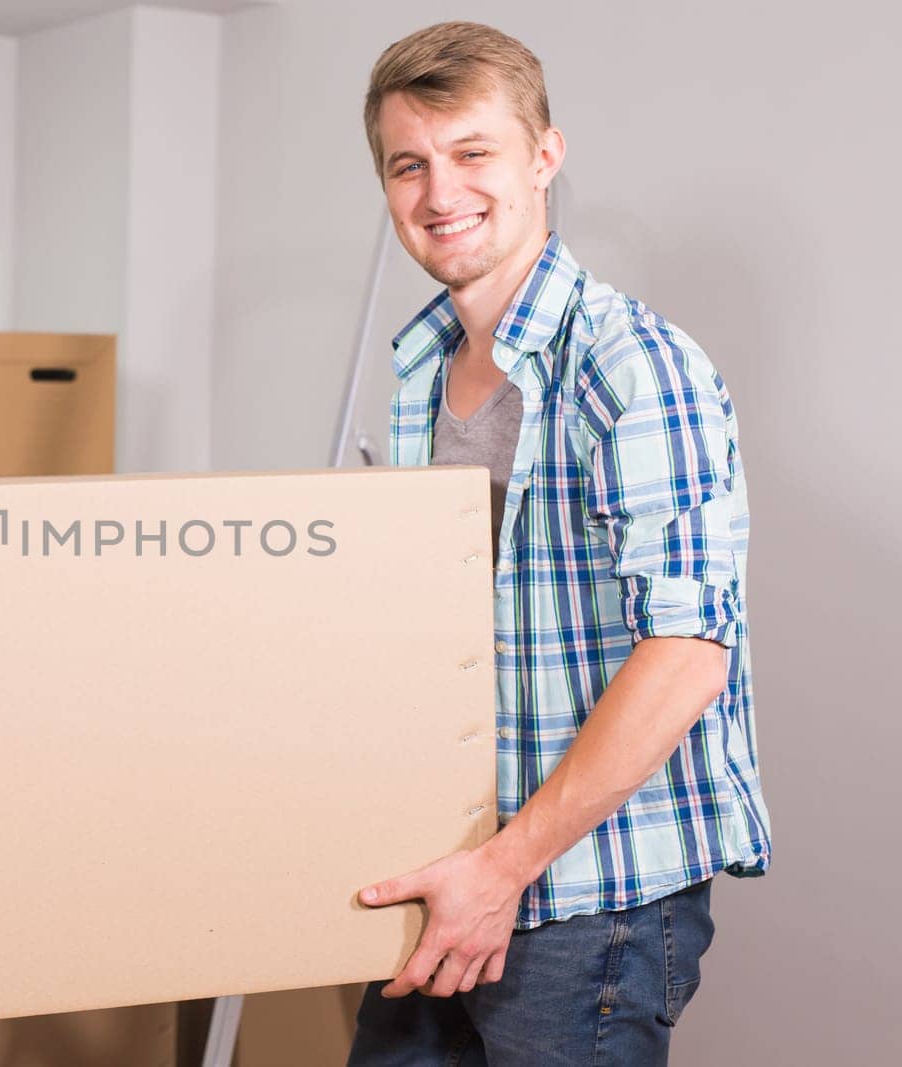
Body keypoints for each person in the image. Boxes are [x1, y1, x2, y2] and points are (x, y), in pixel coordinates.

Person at [346, 22, 770, 1066]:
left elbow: (684, 656)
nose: (439, 192)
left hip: (587, 901)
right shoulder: (420, 371)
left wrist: (503, 868)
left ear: (543, 156)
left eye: (472, 152)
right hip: (442, 870)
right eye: (409, 164)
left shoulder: (632, 366)